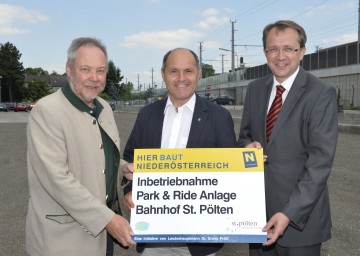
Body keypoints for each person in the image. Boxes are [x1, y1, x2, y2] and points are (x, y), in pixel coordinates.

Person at [121, 48, 237, 256]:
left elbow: (231, 175)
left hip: (199, 241)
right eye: (174, 71)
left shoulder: (219, 117)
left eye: (188, 71)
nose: (181, 78)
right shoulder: (147, 115)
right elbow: (129, 160)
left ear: (198, 74)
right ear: (163, 74)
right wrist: (130, 190)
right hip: (153, 237)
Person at [25, 37, 135, 256]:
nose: (94, 78)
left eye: (101, 70)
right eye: (85, 69)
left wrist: (122, 168)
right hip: (63, 241)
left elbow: (96, 155)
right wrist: (107, 219)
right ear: (69, 69)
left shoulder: (103, 106)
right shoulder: (47, 111)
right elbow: (57, 179)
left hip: (103, 236)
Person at [238, 20, 338, 256]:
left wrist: (288, 214)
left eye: (288, 48)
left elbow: (319, 164)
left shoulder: (321, 93)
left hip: (300, 223)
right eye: (273, 49)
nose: (280, 56)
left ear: (302, 52)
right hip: (258, 219)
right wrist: (246, 147)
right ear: (265, 53)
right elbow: (243, 138)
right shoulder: (254, 90)